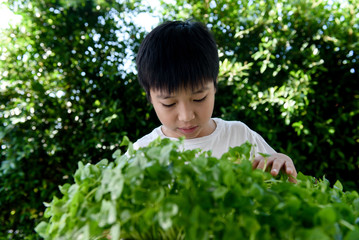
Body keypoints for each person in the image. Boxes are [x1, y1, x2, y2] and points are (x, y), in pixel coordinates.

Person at [134, 20, 297, 182]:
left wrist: (282, 166)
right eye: (169, 103)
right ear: (150, 97)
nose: (186, 116)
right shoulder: (140, 154)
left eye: (199, 98)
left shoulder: (239, 136)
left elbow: (282, 186)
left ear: (214, 86)